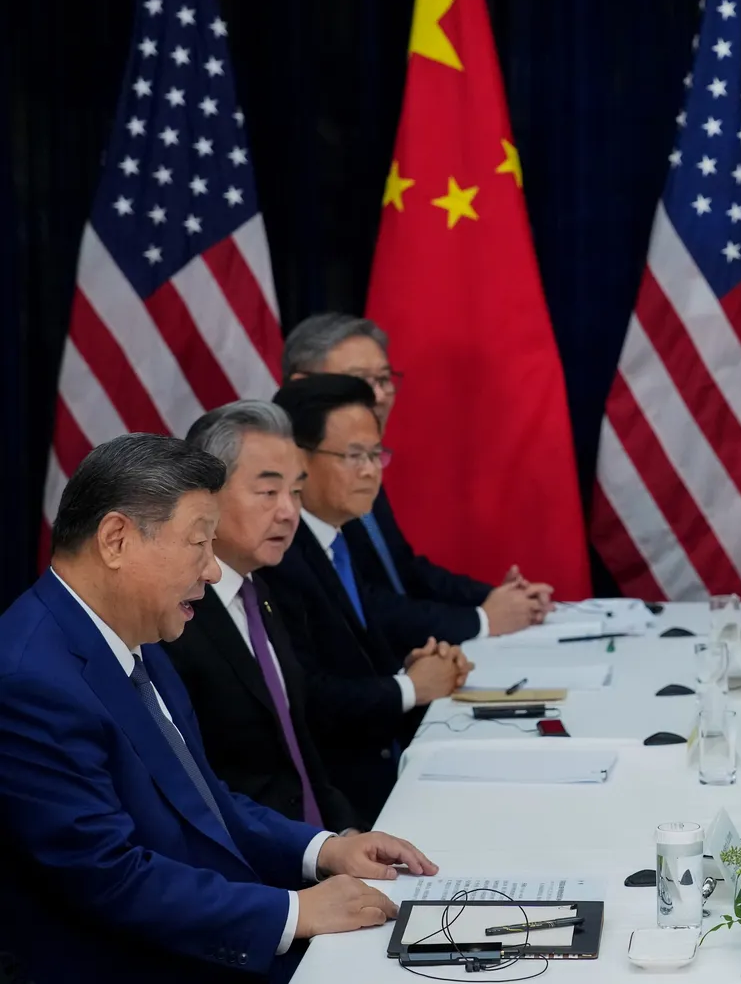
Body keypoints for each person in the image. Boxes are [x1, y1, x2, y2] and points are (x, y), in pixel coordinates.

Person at [0, 434, 438, 983]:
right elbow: (108, 877)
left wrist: (324, 850)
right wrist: (295, 912)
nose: (212, 572)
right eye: (198, 544)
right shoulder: (29, 681)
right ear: (116, 539)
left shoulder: (138, 637)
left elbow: (203, 800)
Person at [263, 375, 470, 823]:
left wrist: (414, 668)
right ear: (299, 459)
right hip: (338, 807)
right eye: (354, 456)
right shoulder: (276, 556)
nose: (371, 470)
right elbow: (304, 696)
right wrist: (410, 687)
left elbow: (352, 653)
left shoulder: (339, 535)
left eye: (376, 455)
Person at [282, 313, 549, 642]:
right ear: (301, 385)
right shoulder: (288, 483)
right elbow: (358, 601)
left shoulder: (365, 457)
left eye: (383, 380)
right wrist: (480, 619)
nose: (377, 396)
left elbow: (402, 570)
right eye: (359, 382)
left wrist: (498, 598)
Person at [164, 402, 366, 832]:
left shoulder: (264, 593)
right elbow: (200, 791)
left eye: (296, 492)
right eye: (268, 492)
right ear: (206, 496)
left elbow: (300, 750)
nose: (290, 512)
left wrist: (345, 831)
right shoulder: (172, 620)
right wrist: (314, 856)